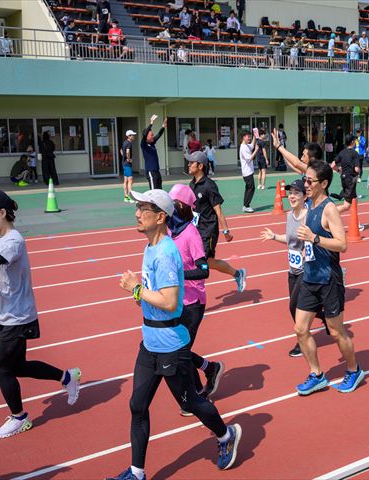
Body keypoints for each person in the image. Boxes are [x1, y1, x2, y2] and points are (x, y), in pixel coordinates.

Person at [110, 189, 241, 480]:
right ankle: (137, 472)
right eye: (137, 208)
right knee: (137, 405)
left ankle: (225, 434)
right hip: (150, 341)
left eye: (143, 209)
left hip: (170, 344)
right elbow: (154, 295)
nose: (137, 214)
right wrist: (140, 295)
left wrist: (136, 289)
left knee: (190, 402)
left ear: (160, 217)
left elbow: (170, 303)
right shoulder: (150, 248)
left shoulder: (167, 253)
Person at [0, 190, 80, 439]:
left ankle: (19, 418)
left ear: (2, 213)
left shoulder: (13, 241)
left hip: (18, 317)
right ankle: (67, 377)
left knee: (1, 369)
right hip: (4, 314)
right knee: (17, 366)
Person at [293, 160, 364, 395]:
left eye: (310, 181)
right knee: (300, 329)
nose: (306, 184)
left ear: (323, 184)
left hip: (328, 279)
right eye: (305, 180)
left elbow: (342, 245)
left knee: (336, 331)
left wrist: (314, 238)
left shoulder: (329, 208)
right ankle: (317, 375)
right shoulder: (310, 205)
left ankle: (354, 370)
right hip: (310, 276)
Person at [167, 184, 224, 408]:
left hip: (193, 302)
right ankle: (206, 375)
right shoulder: (169, 230)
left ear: (181, 206)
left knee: (180, 350)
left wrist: (179, 275)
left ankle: (200, 387)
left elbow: (204, 270)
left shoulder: (191, 234)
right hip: (174, 300)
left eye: (171, 203)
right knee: (178, 349)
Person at [260, 179, 330, 357]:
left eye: (296, 193)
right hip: (293, 269)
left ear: (305, 196)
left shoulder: (309, 216)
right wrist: (274, 236)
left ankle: (302, 338)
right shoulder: (289, 215)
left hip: (307, 270)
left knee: (294, 306)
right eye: (290, 193)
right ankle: (324, 315)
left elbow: (315, 239)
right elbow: (290, 240)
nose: (292, 196)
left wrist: (309, 251)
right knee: (298, 305)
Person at [187, 151, 246, 292]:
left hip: (208, 230)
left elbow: (218, 210)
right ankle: (238, 274)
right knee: (209, 262)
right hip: (196, 229)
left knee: (201, 263)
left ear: (200, 166)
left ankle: (196, 295)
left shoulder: (209, 185)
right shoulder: (192, 184)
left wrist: (226, 231)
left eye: (191, 163)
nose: (188, 165)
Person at [330, 134, 361, 220]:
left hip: (344, 179)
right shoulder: (354, 153)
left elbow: (332, 165)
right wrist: (358, 171)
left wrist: (339, 171)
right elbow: (357, 169)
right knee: (347, 205)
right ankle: (329, 214)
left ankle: (356, 222)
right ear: (352, 142)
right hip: (351, 180)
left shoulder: (342, 153)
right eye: (355, 141)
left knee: (354, 200)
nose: (355, 142)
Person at [140, 114, 166, 190]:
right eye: (151, 135)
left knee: (159, 190)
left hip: (157, 171)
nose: (153, 136)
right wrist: (151, 123)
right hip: (150, 172)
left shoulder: (152, 143)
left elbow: (159, 134)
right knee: (153, 192)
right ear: (147, 137)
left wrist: (163, 126)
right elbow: (144, 134)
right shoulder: (143, 144)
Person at [239, 131, 258, 213]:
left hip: (249, 171)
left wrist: (255, 135)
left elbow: (252, 145)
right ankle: (246, 206)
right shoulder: (243, 147)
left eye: (250, 136)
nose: (249, 138)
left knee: (249, 188)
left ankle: (245, 205)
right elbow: (249, 159)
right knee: (251, 188)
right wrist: (256, 150)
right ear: (243, 137)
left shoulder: (246, 145)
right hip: (247, 172)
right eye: (248, 137)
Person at [121, 130, 136, 203]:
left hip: (124, 164)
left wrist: (124, 157)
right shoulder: (129, 143)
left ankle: (126, 197)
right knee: (130, 181)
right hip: (127, 164)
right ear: (129, 136)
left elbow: (121, 150)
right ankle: (130, 198)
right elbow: (127, 152)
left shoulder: (124, 142)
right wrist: (129, 159)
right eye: (132, 135)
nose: (134, 136)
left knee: (125, 181)